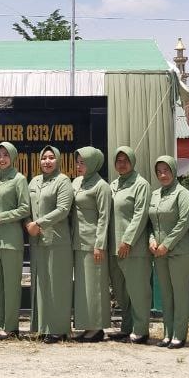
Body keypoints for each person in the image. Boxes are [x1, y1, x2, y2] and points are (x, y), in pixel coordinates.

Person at [0, 141, 30, 338]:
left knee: (11, 285)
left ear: (13, 157)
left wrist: (0, 218)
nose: (2, 159)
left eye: (6, 155)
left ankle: (11, 327)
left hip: (10, 239)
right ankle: (1, 324)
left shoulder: (19, 179)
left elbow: (25, 208)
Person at [27, 145, 73, 342]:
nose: (47, 161)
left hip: (57, 240)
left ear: (58, 160)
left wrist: (39, 223)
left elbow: (63, 209)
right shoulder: (34, 181)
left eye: (51, 157)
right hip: (37, 240)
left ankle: (58, 329)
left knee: (57, 284)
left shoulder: (63, 181)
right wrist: (28, 224)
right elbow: (26, 208)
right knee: (40, 283)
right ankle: (43, 327)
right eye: (44, 157)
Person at [108, 146, 152, 343]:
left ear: (133, 161)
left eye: (126, 160)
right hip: (114, 248)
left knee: (137, 290)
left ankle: (141, 330)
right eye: (118, 160)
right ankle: (127, 328)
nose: (122, 164)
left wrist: (127, 240)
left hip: (133, 248)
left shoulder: (140, 184)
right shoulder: (114, 185)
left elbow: (140, 215)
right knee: (121, 292)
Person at [149, 155, 189, 348]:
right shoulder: (155, 195)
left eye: (166, 171)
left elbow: (184, 222)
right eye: (159, 172)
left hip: (179, 251)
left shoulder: (183, 194)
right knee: (166, 294)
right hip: (159, 253)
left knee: (179, 293)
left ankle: (179, 334)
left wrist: (166, 244)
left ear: (174, 171)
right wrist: (152, 240)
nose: (163, 175)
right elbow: (151, 223)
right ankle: (167, 333)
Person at [71, 146, 111, 342]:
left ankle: (96, 328)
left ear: (94, 163)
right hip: (77, 241)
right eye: (78, 162)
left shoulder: (101, 186)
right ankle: (87, 325)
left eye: (83, 163)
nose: (79, 166)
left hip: (93, 242)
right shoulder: (77, 182)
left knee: (95, 285)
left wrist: (100, 244)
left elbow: (104, 216)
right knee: (83, 287)